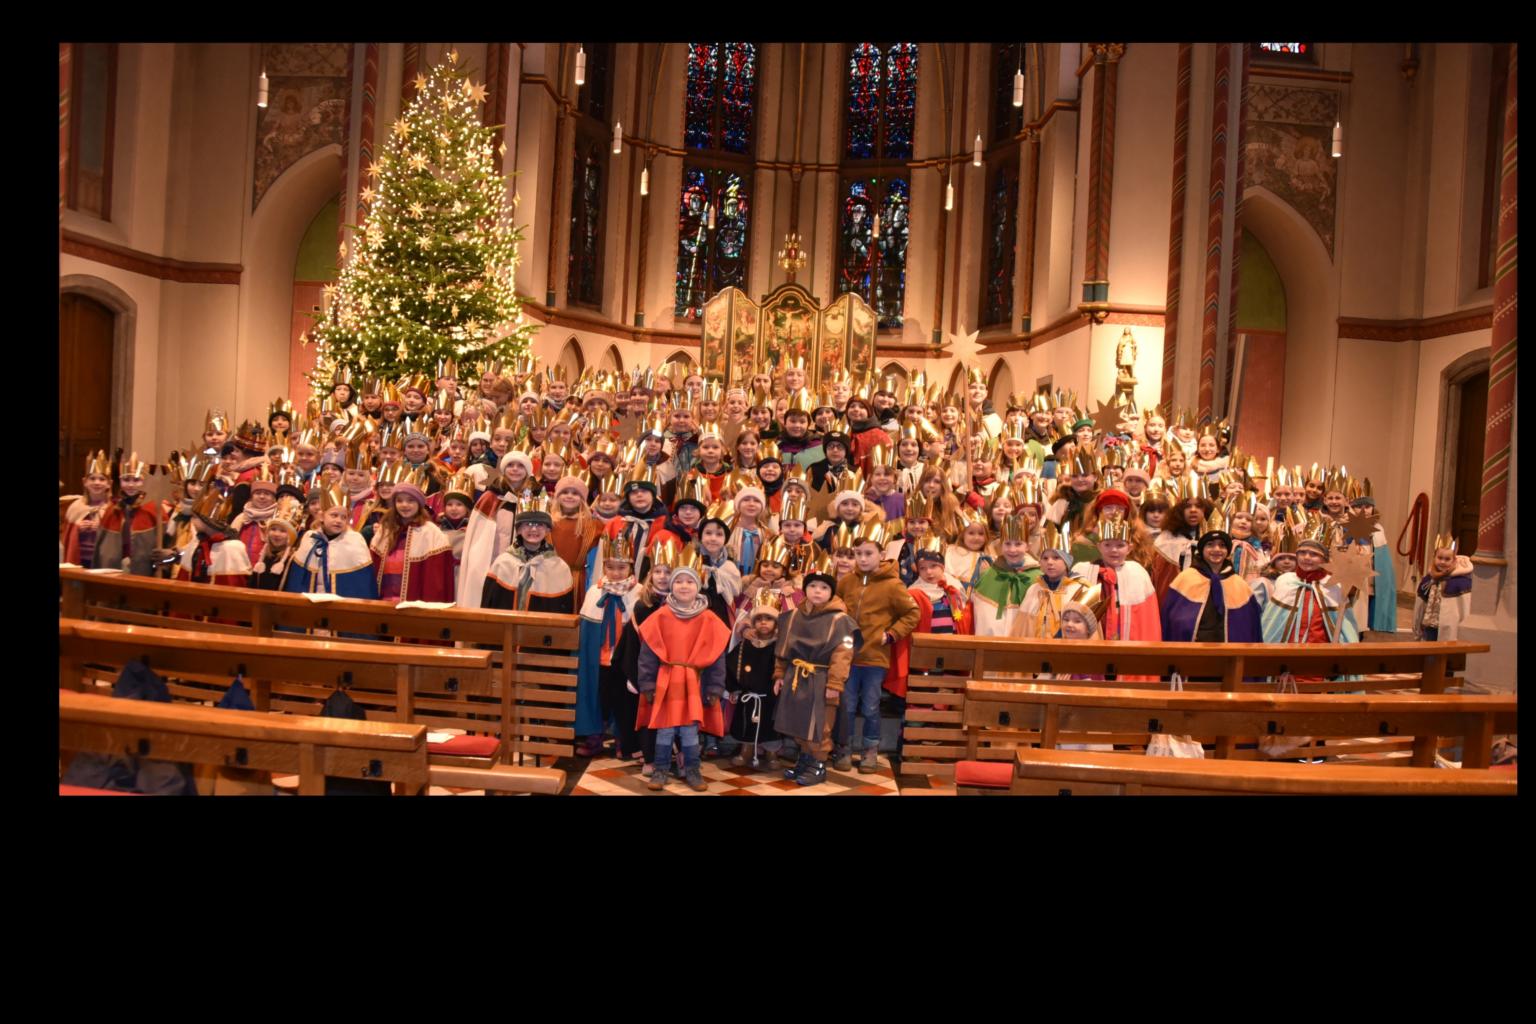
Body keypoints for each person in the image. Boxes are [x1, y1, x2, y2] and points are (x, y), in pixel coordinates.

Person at [636, 555, 732, 792]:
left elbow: (717, 657)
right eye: (678, 581)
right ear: (672, 586)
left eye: (689, 582)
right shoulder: (660, 616)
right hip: (666, 683)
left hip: (694, 683)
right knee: (664, 730)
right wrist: (647, 684)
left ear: (697, 586)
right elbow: (647, 654)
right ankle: (660, 770)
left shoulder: (709, 619)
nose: (684, 586)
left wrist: (715, 687)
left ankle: (693, 770)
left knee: (690, 731)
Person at [834, 525, 920, 776]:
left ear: (881, 555)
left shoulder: (892, 585)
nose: (862, 558)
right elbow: (835, 607)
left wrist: (891, 634)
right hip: (847, 657)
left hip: (874, 657)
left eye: (868, 553)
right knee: (847, 706)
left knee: (871, 707)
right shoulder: (846, 582)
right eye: (858, 553)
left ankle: (870, 750)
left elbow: (912, 613)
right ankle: (844, 747)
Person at [773, 564, 860, 787]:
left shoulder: (840, 620)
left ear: (832, 592)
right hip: (796, 676)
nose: (817, 591)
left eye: (824, 587)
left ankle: (819, 764)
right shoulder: (794, 616)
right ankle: (805, 760)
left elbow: (843, 654)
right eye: (812, 586)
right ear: (805, 589)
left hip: (822, 678)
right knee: (799, 722)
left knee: (820, 725)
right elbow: (783, 648)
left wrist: (835, 683)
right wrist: (780, 674)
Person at [575, 535, 641, 759]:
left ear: (630, 567)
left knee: (624, 701)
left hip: (624, 659)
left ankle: (624, 740)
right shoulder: (595, 591)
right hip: (600, 657)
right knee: (599, 698)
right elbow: (587, 629)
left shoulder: (639, 592)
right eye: (610, 567)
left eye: (621, 567)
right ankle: (595, 737)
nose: (616, 573)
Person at [887, 546, 972, 699]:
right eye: (923, 568)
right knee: (926, 682)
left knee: (947, 683)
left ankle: (942, 709)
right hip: (926, 647)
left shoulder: (953, 588)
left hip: (950, 645)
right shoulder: (914, 592)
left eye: (933, 566)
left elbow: (962, 616)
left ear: (943, 567)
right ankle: (922, 708)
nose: (929, 572)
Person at [1160, 529, 1264, 642]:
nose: (1217, 549)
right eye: (1210, 545)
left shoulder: (1240, 585)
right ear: (1202, 550)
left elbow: (1252, 627)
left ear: (1227, 551)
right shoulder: (1184, 579)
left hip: (1229, 652)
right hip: (1191, 650)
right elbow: (1168, 622)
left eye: (1222, 545)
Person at [1259, 533, 1362, 647]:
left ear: (1324, 560)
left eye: (1314, 554)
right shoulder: (1285, 581)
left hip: (1322, 649)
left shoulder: (1333, 586)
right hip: (1288, 650)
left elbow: (1345, 626)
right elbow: (1272, 620)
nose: (1307, 557)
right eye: (1302, 552)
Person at [1070, 517, 1162, 642]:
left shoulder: (1138, 574)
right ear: (1099, 547)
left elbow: (1148, 620)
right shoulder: (1083, 572)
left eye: (1120, 545)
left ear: (1129, 548)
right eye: (1107, 545)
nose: (1114, 550)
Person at [726, 588, 785, 771]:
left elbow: (784, 666)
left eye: (768, 619)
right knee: (747, 722)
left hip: (770, 695)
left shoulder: (779, 646)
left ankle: (771, 752)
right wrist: (734, 687)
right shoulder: (746, 644)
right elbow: (733, 664)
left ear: (776, 623)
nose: (763, 623)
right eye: (759, 619)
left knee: (771, 724)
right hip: (749, 694)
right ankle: (747, 749)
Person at [283, 485, 379, 598]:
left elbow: (362, 585)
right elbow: (297, 579)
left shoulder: (355, 540)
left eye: (344, 517)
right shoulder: (310, 538)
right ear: (321, 516)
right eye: (334, 515)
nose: (339, 520)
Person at [481, 500, 577, 613]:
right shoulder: (502, 563)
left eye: (540, 524)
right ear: (519, 529)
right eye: (528, 524)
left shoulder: (559, 568)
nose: (534, 529)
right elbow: (488, 608)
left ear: (548, 530)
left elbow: (565, 612)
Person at [370, 481, 456, 603]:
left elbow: (437, 578)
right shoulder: (385, 529)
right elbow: (374, 568)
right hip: (385, 601)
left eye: (410, 500)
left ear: (419, 504)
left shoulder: (431, 532)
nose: (404, 505)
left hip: (415, 603)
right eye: (399, 501)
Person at [92, 452, 165, 576]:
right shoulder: (112, 509)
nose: (131, 485)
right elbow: (101, 546)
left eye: (136, 480)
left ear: (143, 481)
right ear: (120, 481)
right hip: (113, 572)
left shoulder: (154, 509)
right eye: (126, 480)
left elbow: (165, 544)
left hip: (144, 572)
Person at [970, 518, 1042, 636]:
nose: (1012, 550)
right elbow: (981, 617)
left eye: (1018, 544)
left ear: (1027, 546)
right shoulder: (989, 575)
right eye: (1007, 544)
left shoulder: (1038, 578)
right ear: (1001, 545)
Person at [1015, 526, 1091, 638]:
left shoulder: (1080, 590)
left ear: (1067, 561)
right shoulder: (1034, 590)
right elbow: (1021, 629)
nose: (1049, 562)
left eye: (1056, 558)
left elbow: (1090, 633)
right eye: (1045, 558)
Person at [172, 488, 251, 585]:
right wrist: (175, 555)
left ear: (208, 522)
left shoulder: (232, 548)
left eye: (195, 517)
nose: (192, 521)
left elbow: (234, 584)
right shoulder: (198, 541)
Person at [1413, 535, 1474, 640]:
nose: (1442, 562)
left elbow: (1464, 610)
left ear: (1454, 560)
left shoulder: (1460, 582)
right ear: (1434, 557)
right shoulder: (1428, 579)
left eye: (1447, 559)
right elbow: (1420, 606)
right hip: (1429, 625)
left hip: (1448, 628)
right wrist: (1417, 628)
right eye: (1440, 558)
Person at [61, 450, 115, 567]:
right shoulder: (76, 507)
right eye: (92, 478)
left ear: (109, 484)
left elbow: (117, 541)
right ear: (84, 482)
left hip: (103, 562)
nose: (97, 483)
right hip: (79, 560)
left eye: (102, 479)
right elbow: (65, 537)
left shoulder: (113, 509)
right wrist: (77, 528)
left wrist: (102, 529)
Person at [250, 503, 303, 590]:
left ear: (290, 536)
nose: (276, 534)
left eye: (283, 531)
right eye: (273, 529)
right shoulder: (263, 555)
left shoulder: (293, 559)